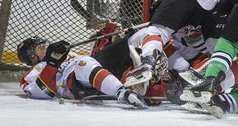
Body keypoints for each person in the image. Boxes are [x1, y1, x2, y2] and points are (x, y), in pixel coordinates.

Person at [17, 36, 146, 108]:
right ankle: (122, 92)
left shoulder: (62, 54)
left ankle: (147, 70)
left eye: (45, 44)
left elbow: (95, 60)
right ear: (32, 57)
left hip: (96, 74)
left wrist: (112, 39)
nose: (45, 47)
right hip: (76, 86)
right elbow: (42, 92)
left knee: (129, 42)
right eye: (40, 47)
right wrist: (52, 63)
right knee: (83, 64)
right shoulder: (31, 75)